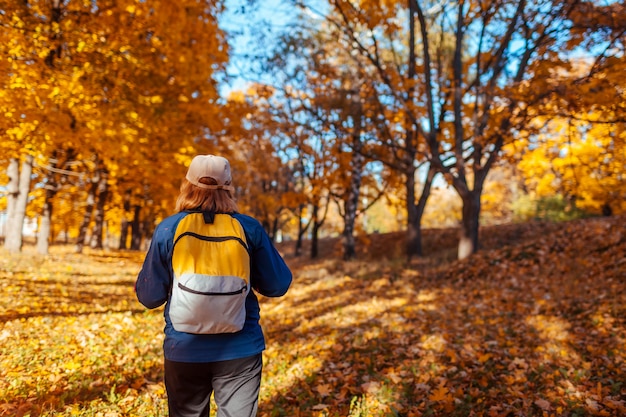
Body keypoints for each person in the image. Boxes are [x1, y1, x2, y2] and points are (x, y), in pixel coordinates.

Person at [135, 154, 292, 417]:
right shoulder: (248, 228)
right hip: (240, 349)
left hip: (183, 348)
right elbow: (277, 285)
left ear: (187, 185)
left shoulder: (169, 228)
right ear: (229, 187)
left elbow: (149, 297)